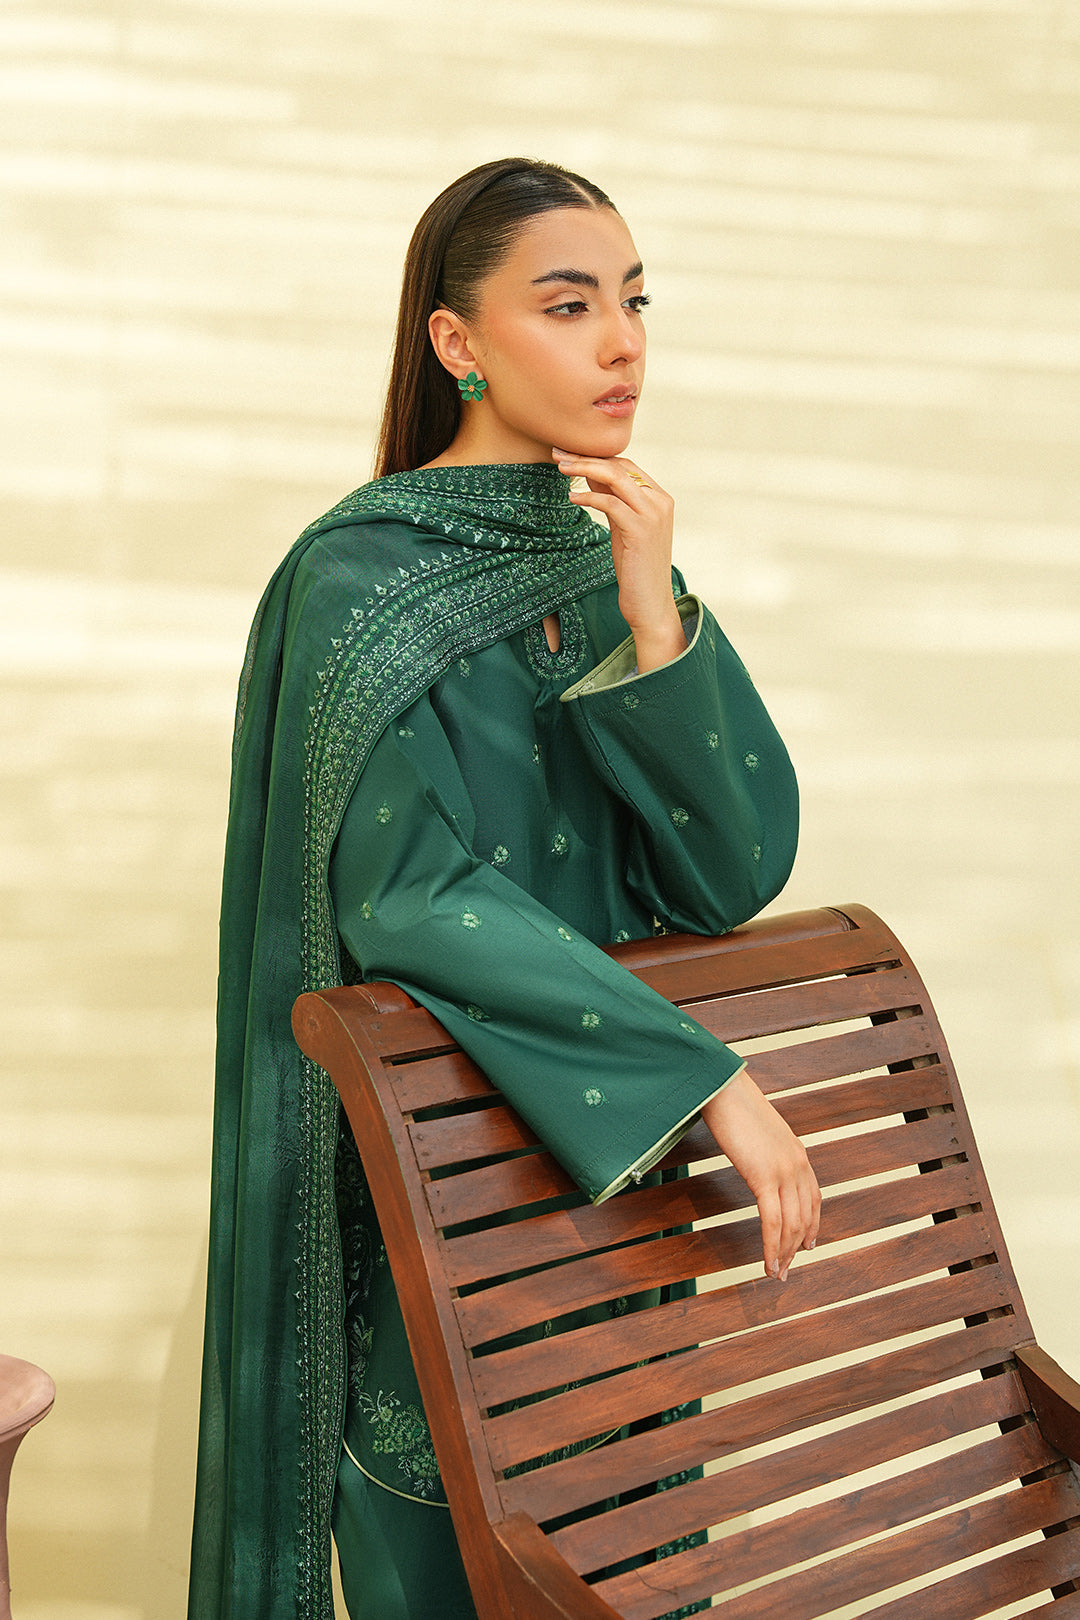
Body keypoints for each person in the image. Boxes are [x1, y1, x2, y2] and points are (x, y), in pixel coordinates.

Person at [188, 157, 821, 1620]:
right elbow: (405, 898)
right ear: (456, 341)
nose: (622, 344)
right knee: (466, 1565)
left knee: (630, 1566)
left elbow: (724, 876)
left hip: (621, 1196)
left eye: (636, 302)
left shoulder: (604, 565)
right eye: (569, 304)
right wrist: (706, 1076)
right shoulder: (360, 577)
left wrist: (655, 616)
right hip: (454, 1179)